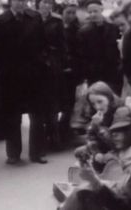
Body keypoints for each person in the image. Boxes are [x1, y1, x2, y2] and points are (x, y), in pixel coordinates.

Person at [59, 106, 131, 210]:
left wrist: (94, 181)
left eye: (122, 130)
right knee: (84, 187)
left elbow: (121, 206)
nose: (115, 134)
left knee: (83, 192)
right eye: (114, 131)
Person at [0, 0, 48, 164]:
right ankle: (13, 154)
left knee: (37, 114)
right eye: (17, 0)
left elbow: (43, 43)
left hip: (34, 73)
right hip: (11, 76)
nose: (20, 3)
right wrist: (3, 70)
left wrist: (42, 62)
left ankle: (37, 153)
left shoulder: (35, 17)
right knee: (12, 115)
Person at [71, 81, 125, 172]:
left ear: (109, 97)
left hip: (120, 150)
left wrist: (99, 126)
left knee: (105, 164)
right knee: (79, 152)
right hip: (104, 147)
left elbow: (116, 142)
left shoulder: (121, 111)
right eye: (93, 103)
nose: (97, 107)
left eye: (100, 101)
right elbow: (90, 136)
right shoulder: (96, 112)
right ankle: (93, 176)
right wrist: (96, 152)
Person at [77, 0, 123, 95]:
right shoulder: (84, 32)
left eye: (95, 11)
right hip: (94, 72)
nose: (93, 14)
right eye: (90, 12)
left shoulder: (114, 28)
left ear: (101, 10)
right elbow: (82, 55)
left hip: (112, 71)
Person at [37, 0, 65, 150]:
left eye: (49, 2)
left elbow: (62, 45)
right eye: (43, 2)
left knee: (53, 101)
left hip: (53, 65)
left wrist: (60, 62)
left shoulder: (57, 21)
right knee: (39, 102)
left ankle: (54, 135)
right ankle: (41, 137)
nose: (46, 6)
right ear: (38, 5)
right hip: (36, 65)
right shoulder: (33, 19)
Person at [59, 3, 81, 140]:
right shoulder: (57, 26)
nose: (71, 16)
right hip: (58, 69)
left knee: (69, 101)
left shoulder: (77, 29)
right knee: (58, 101)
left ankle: (64, 127)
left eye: (74, 12)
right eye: (68, 12)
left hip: (72, 70)